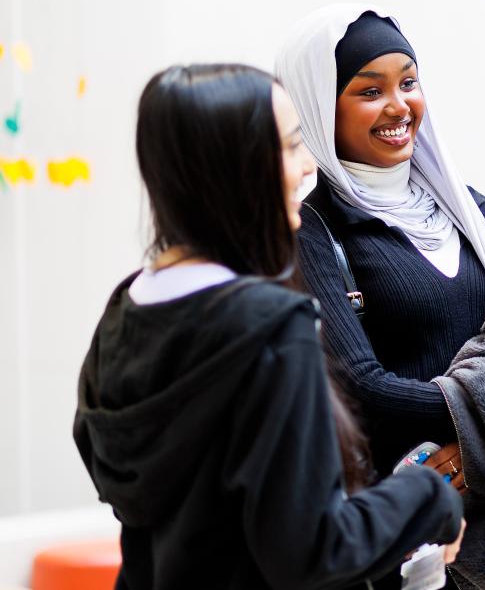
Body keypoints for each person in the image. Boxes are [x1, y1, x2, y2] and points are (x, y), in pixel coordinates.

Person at [73, 64, 464, 590]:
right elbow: (311, 549)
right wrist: (429, 498)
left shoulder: (125, 312)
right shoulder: (271, 329)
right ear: (233, 172)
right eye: (289, 146)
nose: (307, 168)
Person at [275, 5, 485, 588]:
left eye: (408, 82)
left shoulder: (471, 212)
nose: (399, 105)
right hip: (414, 531)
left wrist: (475, 439)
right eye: (369, 90)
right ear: (319, 107)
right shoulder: (314, 234)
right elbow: (362, 389)